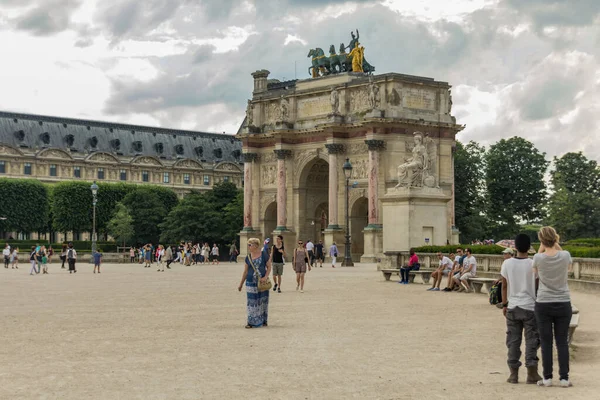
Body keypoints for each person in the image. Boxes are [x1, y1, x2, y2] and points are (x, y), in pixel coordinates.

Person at [533, 226, 573, 388]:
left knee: (546, 341)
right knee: (562, 341)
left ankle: (547, 377)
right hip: (563, 301)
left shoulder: (538, 257)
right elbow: (567, 264)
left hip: (543, 302)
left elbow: (535, 274)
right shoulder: (565, 255)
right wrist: (555, 244)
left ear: (541, 240)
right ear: (556, 238)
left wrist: (542, 247)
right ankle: (564, 378)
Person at [501, 233, 542, 384]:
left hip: (513, 305)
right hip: (530, 306)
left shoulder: (507, 264)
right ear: (529, 247)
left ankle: (513, 374)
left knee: (513, 340)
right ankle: (532, 372)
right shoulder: (533, 264)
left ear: (515, 247)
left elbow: (504, 285)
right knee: (532, 340)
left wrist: (504, 304)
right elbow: (537, 286)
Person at [238, 238, 271, 328]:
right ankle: (251, 322)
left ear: (256, 245)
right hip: (250, 281)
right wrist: (241, 284)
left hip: (262, 282)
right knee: (251, 301)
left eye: (250, 245)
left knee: (262, 301)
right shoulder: (248, 257)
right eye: (248, 245)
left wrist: (266, 277)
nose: (248, 247)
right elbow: (245, 272)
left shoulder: (264, 254)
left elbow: (269, 267)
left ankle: (263, 320)